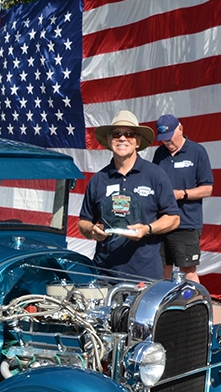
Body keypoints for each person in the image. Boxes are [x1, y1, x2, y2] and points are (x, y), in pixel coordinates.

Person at [77, 110, 180, 279]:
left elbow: (174, 218)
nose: (122, 138)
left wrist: (147, 229)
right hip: (105, 274)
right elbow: (84, 221)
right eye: (116, 134)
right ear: (109, 140)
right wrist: (92, 231)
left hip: (145, 275)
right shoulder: (98, 180)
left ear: (137, 141)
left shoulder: (155, 175)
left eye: (129, 134)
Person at [151, 114, 214, 282]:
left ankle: (196, 299)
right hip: (162, 222)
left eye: (170, 137)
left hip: (186, 223)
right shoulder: (159, 154)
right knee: (162, 269)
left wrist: (181, 194)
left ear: (180, 129)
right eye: (163, 139)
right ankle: (164, 298)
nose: (167, 142)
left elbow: (207, 189)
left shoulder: (197, 152)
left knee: (188, 270)